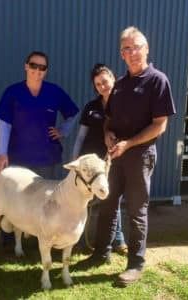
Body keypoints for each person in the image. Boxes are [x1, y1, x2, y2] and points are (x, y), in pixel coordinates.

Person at [83, 27, 176, 286]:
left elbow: (160, 125)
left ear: (146, 49)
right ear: (121, 55)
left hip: (141, 155)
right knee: (107, 204)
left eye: (136, 47)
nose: (132, 53)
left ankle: (135, 264)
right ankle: (101, 253)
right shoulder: (120, 85)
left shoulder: (158, 81)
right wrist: (108, 135)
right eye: (126, 49)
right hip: (117, 155)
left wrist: (130, 143)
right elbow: (108, 120)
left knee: (137, 210)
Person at [0, 51, 79, 245]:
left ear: (46, 71)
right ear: (26, 66)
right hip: (17, 156)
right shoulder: (13, 92)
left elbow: (72, 113)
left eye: (42, 68)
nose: (37, 70)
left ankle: (40, 239)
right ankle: (9, 240)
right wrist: (1, 153)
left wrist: (62, 131)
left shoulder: (54, 92)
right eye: (33, 65)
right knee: (14, 199)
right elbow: (4, 123)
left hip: (46, 157)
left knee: (44, 200)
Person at [72, 64, 127, 254]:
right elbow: (80, 137)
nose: (102, 86)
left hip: (113, 162)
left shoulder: (124, 105)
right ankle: (79, 240)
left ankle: (118, 240)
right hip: (89, 166)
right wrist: (75, 161)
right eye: (98, 84)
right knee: (84, 201)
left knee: (112, 199)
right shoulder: (91, 107)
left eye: (105, 81)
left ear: (113, 79)